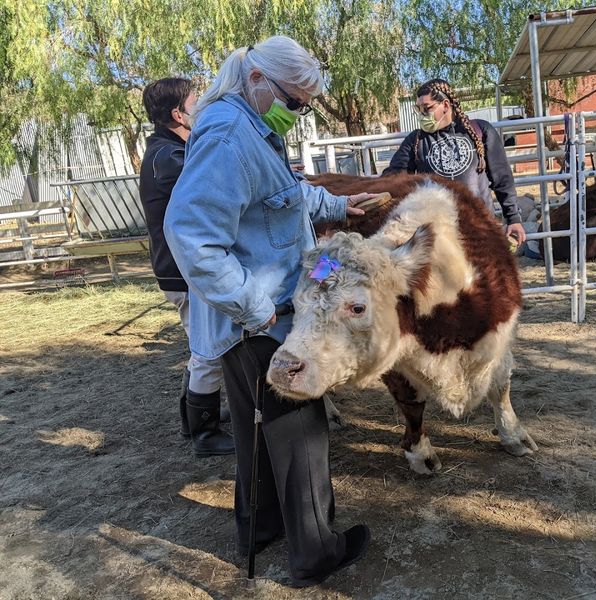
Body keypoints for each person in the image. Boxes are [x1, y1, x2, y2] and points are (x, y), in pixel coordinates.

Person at [163, 36, 372, 587]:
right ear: (258, 80)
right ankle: (316, 552)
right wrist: (262, 314)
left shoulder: (253, 130)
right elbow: (192, 237)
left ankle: (259, 528)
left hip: (261, 317)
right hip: (264, 321)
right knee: (303, 433)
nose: (296, 114)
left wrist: (340, 206)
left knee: (259, 438)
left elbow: (286, 198)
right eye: (295, 102)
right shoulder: (231, 137)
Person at [138, 77, 235, 457]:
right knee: (208, 351)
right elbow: (215, 186)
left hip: (181, 268)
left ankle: (194, 416)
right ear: (179, 113)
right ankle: (204, 432)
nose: (203, 107)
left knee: (202, 347)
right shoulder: (171, 158)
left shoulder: (171, 150)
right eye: (197, 101)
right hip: (183, 270)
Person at [382, 78, 527, 245]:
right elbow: (394, 175)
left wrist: (513, 217)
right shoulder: (415, 141)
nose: (422, 115)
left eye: (427, 108)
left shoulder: (480, 131)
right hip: (438, 233)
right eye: (419, 109)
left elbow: (502, 178)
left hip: (479, 226)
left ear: (445, 105)